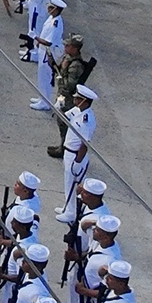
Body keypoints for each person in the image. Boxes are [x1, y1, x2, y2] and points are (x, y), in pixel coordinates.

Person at [48, 34, 93, 158]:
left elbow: (69, 85)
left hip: (68, 99)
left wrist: (60, 75)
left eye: (68, 45)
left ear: (75, 48)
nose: (65, 47)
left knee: (65, 124)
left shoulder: (75, 65)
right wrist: (54, 66)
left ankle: (64, 148)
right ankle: (62, 145)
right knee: (61, 122)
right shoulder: (68, 58)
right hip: (62, 96)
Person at [59, 86, 98, 223]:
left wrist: (78, 161)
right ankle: (68, 208)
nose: (74, 99)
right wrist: (60, 106)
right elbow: (64, 118)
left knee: (72, 185)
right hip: (68, 152)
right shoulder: (77, 111)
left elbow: (85, 143)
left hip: (76, 155)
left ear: (84, 101)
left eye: (78, 98)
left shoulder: (87, 119)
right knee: (67, 182)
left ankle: (71, 213)